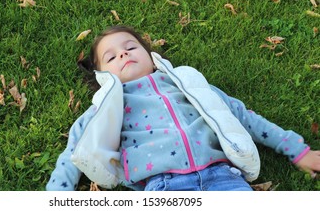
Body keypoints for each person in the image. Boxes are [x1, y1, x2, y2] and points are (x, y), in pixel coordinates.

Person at [46, 25, 320, 191]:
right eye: (111, 56)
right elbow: (75, 151)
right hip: (163, 186)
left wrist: (297, 151)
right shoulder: (107, 105)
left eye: (131, 47)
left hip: (224, 177)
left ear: (151, 55)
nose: (123, 54)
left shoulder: (187, 83)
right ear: (102, 75)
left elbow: (241, 115)